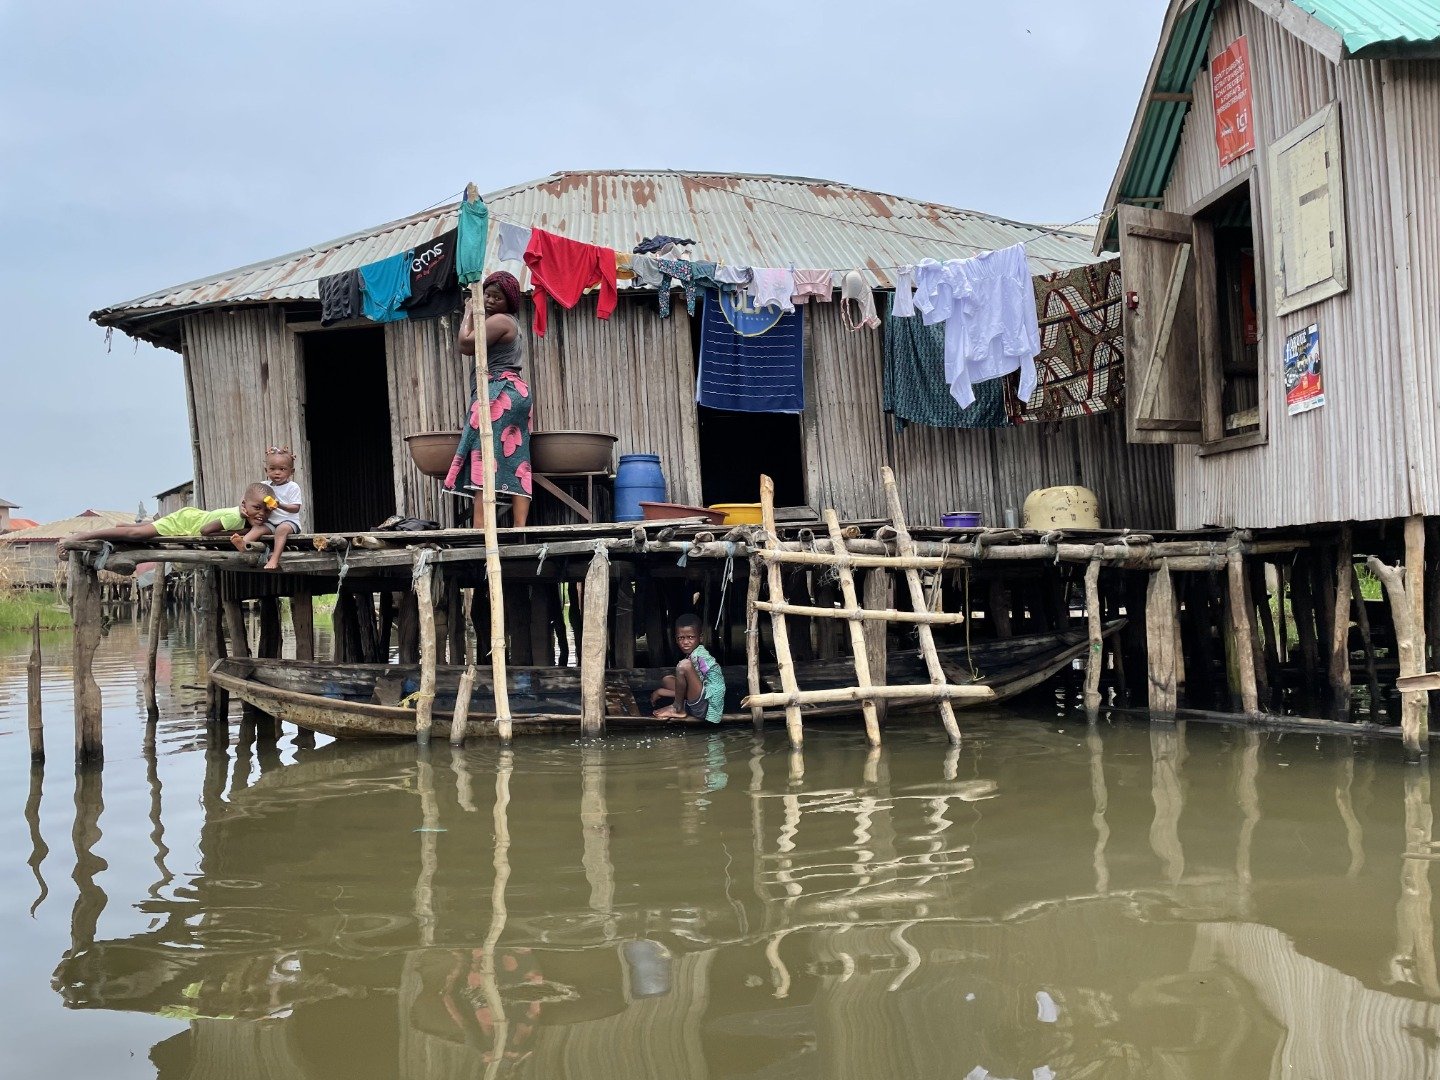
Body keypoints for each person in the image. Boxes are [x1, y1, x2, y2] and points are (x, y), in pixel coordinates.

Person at [446, 270, 533, 529]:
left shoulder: (500, 322)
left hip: (499, 392)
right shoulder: (509, 323)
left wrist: (470, 312)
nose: (490, 301)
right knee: (517, 458)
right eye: (487, 295)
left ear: (510, 303)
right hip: (514, 392)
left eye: (498, 297)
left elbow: (465, 344)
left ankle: (480, 528)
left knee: (484, 455)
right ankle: (520, 528)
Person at [62, 485, 270, 547]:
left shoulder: (241, 515)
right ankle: (83, 536)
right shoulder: (236, 518)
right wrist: (243, 531)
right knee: (137, 535)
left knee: (140, 530)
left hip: (191, 517)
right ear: (244, 506)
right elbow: (206, 532)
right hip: (185, 522)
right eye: (257, 508)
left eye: (266, 510)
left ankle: (121, 526)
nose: (261, 514)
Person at [230, 447, 303, 570]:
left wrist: (280, 505)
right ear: (266, 470)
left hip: (289, 522)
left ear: (292, 471)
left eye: (282, 469)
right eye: (272, 469)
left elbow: (296, 508)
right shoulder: (264, 485)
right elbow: (247, 495)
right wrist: (241, 506)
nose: (277, 472)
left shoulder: (292, 487)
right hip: (270, 523)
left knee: (281, 530)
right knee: (257, 528)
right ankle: (243, 544)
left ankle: (274, 558)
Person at [651, 614, 726, 723]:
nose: (685, 642)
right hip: (697, 699)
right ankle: (679, 704)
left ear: (700, 638)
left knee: (684, 666)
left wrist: (714, 713)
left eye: (691, 637)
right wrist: (662, 691)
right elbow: (691, 688)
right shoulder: (693, 654)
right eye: (681, 638)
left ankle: (678, 708)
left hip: (706, 707)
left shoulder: (702, 657)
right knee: (667, 680)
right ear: (676, 639)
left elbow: (716, 688)